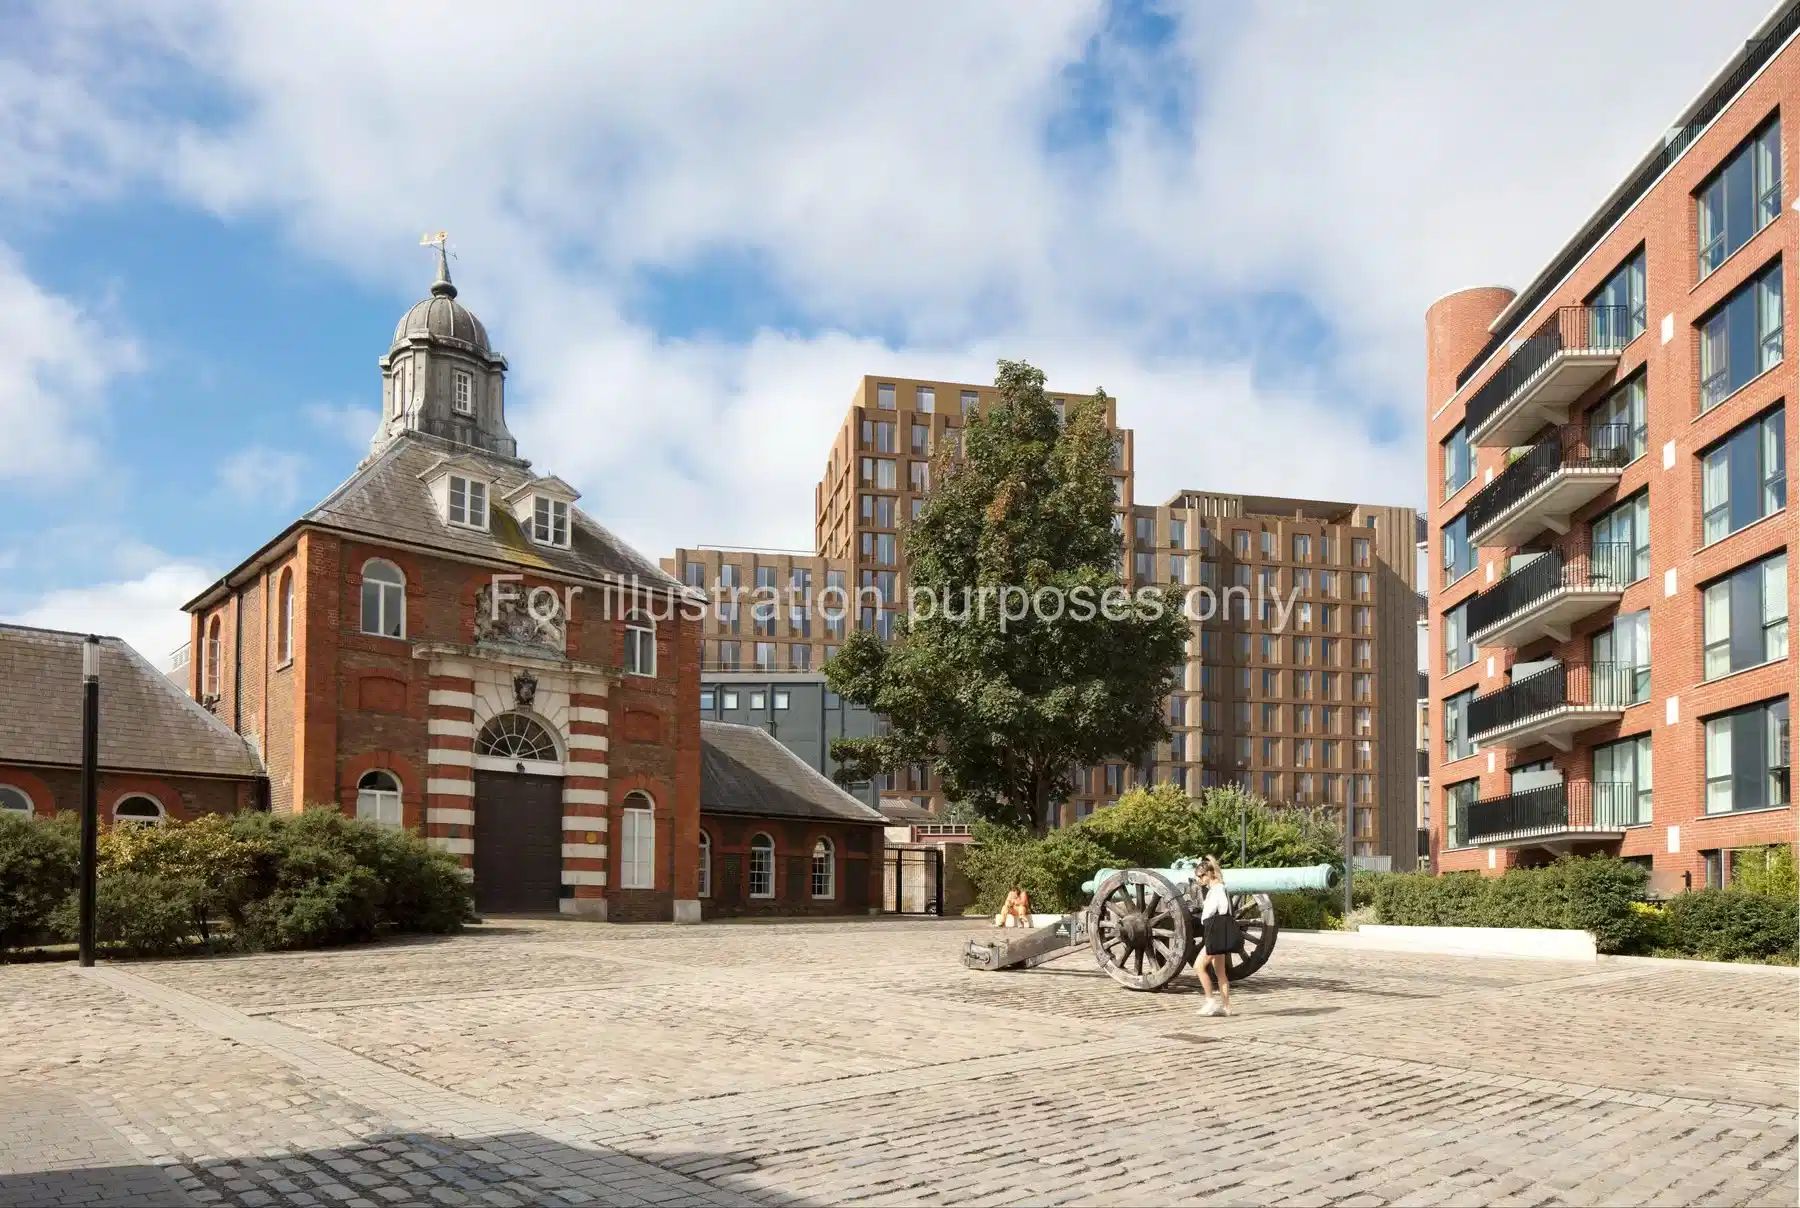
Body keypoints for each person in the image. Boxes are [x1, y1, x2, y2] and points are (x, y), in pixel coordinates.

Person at [1192, 856, 1236, 1017]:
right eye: (1198, 876)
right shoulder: (1220, 887)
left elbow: (1222, 907)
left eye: (1201, 876)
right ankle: (1226, 1007)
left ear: (1210, 873)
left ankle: (1210, 1001)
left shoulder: (1217, 889)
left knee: (1198, 966)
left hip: (1214, 932)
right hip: (1220, 933)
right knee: (1220, 973)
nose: (1200, 879)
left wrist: (1207, 915)